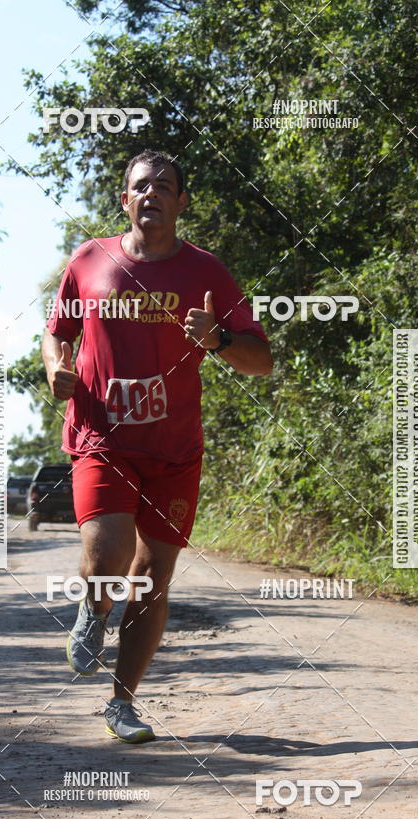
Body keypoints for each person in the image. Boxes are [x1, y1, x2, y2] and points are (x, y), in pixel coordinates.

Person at [42, 149, 272, 743]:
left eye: (164, 187)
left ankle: (123, 704)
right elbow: (56, 333)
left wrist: (218, 338)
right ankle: (93, 611)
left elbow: (261, 360)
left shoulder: (206, 273)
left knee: (153, 578)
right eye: (141, 186)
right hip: (102, 437)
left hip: (174, 450)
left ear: (181, 202)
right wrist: (55, 370)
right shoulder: (90, 261)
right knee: (111, 550)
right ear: (125, 199)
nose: (152, 195)